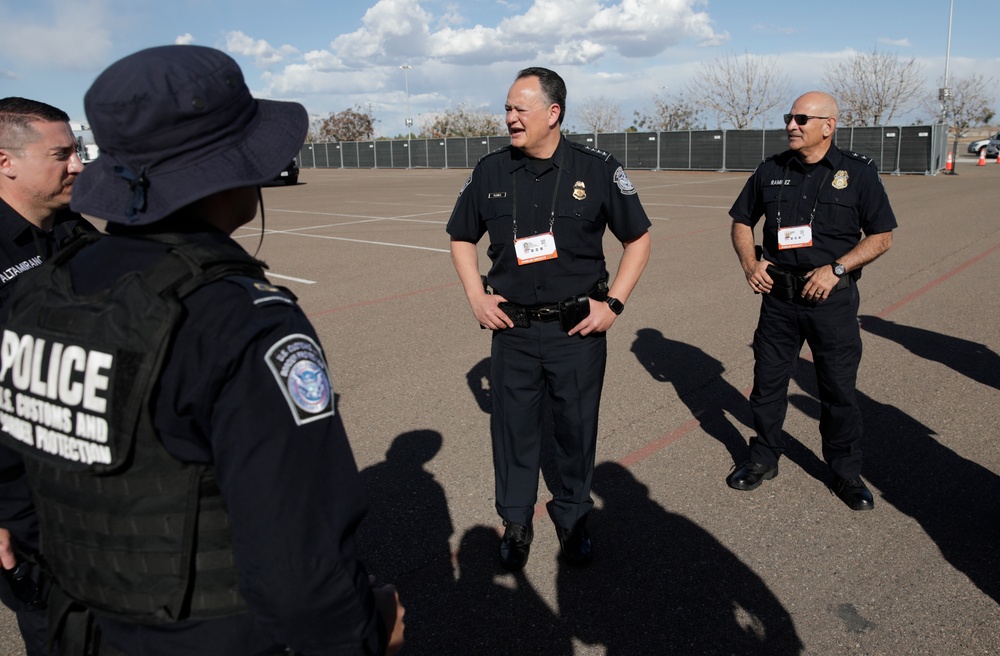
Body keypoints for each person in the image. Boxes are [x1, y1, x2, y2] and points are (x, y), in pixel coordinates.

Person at [0, 45, 404, 654]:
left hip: (76, 623)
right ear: (227, 171)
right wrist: (365, 639)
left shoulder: (48, 288)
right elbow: (298, 550)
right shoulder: (242, 319)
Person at [446, 67, 651, 569]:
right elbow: (459, 237)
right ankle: (516, 522)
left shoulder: (598, 169)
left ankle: (574, 515)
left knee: (576, 429)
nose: (510, 118)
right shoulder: (489, 171)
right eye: (508, 109)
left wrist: (614, 305)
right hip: (512, 329)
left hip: (576, 329)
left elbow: (638, 240)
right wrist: (477, 297)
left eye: (521, 109)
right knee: (513, 430)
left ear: (553, 113)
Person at [726, 91, 896, 511]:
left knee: (837, 390)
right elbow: (742, 220)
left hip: (831, 302)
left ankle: (844, 471)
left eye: (802, 118)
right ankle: (764, 457)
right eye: (789, 117)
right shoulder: (771, 170)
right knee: (767, 386)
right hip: (779, 300)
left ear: (828, 125)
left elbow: (882, 236)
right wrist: (751, 263)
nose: (791, 125)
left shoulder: (857, 174)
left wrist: (837, 268)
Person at [0, 96, 96, 656]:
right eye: (61, 154)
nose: (77, 164)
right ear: (6, 161)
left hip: (96, 489)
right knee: (63, 634)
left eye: (76, 151)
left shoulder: (73, 228)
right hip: (24, 509)